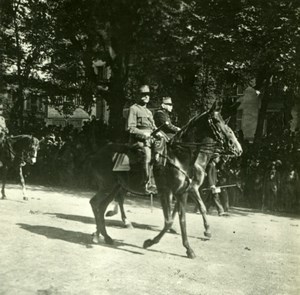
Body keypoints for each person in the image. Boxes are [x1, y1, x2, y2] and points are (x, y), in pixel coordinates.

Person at [126, 85, 159, 193]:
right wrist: (144, 134)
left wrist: (158, 133)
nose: (146, 97)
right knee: (147, 155)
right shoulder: (133, 108)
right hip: (138, 141)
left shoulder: (149, 112)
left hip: (150, 140)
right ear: (138, 96)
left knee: (162, 154)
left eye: (148, 95)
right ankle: (146, 184)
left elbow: (153, 127)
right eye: (143, 94)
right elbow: (130, 128)